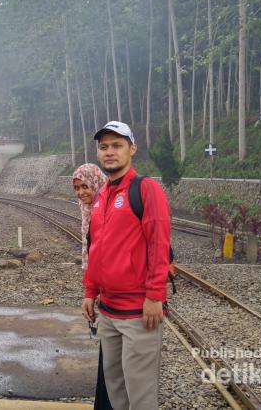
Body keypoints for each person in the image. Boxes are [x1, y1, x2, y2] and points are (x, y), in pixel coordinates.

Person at [82, 121, 171, 410]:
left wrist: (155, 296)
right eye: (104, 147)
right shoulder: (101, 198)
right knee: (116, 392)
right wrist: (89, 291)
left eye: (117, 145)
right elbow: (96, 250)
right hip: (108, 313)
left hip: (138, 314)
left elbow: (159, 245)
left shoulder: (145, 189)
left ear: (131, 149)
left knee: (141, 396)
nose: (109, 152)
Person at [72, 163, 107, 270]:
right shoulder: (86, 209)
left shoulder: (110, 208)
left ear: (95, 183)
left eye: (85, 186)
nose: (80, 192)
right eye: (76, 188)